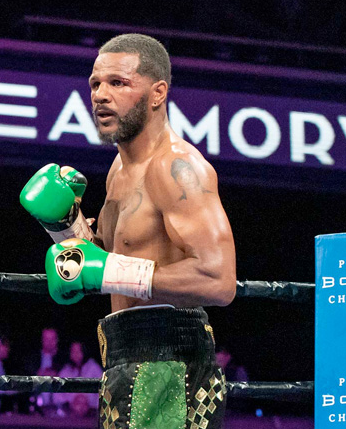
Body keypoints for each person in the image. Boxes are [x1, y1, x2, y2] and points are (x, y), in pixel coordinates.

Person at [21, 33, 236, 429]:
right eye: (95, 84)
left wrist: (107, 270)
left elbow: (218, 279)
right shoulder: (119, 171)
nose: (100, 95)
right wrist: (65, 225)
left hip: (172, 363)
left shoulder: (177, 167)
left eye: (118, 83)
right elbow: (100, 260)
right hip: (123, 353)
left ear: (158, 93)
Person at [56, 341, 103, 416]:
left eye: (78, 351)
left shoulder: (94, 368)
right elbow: (57, 395)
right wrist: (72, 401)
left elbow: (104, 390)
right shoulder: (65, 370)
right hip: (70, 414)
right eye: (73, 351)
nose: (76, 354)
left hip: (93, 413)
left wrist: (89, 403)